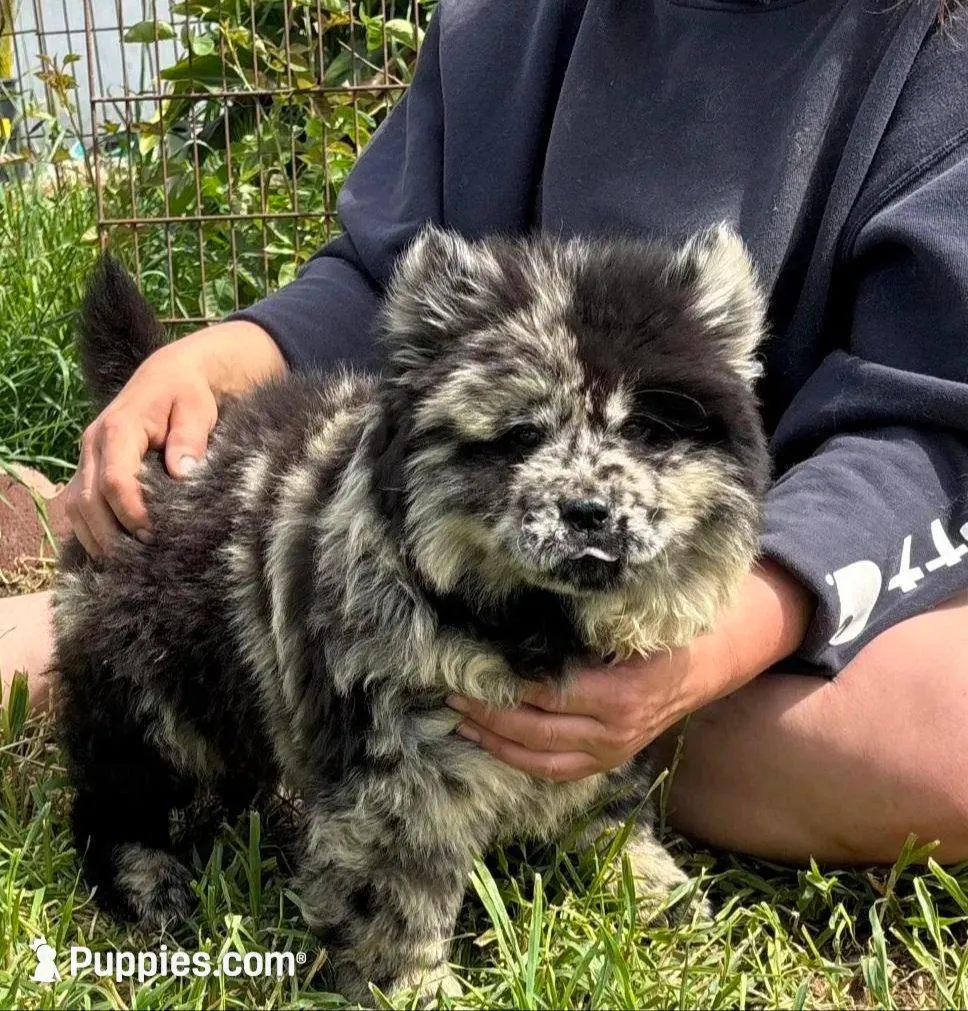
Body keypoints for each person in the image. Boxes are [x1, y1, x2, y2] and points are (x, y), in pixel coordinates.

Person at [4, 0, 968, 865]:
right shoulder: (501, 24)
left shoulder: (940, 59)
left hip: (796, 574)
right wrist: (218, 358)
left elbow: (926, 423)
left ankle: (540, 732)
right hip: (487, 570)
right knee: (231, 596)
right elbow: (385, 280)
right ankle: (190, 643)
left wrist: (717, 646)